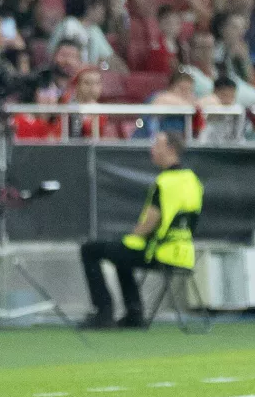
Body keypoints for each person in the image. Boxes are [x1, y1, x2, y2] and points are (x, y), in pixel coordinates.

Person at [79, 132, 203, 329]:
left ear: (171, 149)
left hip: (159, 252)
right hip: (184, 254)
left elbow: (149, 224)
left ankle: (103, 312)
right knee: (121, 253)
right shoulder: (192, 181)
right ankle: (134, 313)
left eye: (157, 145)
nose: (152, 149)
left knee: (90, 250)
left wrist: (133, 235)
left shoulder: (164, 183)